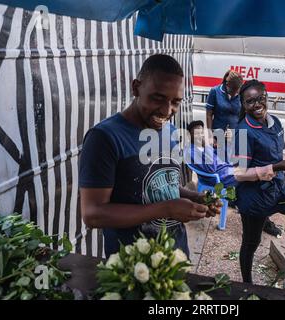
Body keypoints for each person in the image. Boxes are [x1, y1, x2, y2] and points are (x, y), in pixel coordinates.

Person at [79, 54, 221, 258]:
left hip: (176, 256)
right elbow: (93, 214)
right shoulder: (104, 138)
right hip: (131, 268)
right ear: (136, 87)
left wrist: (195, 197)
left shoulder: (170, 131)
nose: (167, 110)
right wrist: (167, 209)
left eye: (175, 102)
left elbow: (164, 184)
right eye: (158, 98)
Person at [232, 79, 285, 283]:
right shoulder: (243, 131)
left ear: (267, 97)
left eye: (261, 98)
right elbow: (239, 173)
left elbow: (278, 152)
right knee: (251, 243)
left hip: (277, 188)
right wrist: (276, 167)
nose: (257, 104)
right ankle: (247, 285)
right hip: (254, 198)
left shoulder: (276, 122)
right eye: (250, 101)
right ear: (243, 105)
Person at [184, 120, 285, 236]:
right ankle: (263, 216)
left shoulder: (203, 147)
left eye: (201, 132)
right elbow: (211, 169)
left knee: (252, 166)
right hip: (219, 177)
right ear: (190, 136)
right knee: (255, 179)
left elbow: (222, 158)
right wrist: (207, 147)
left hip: (226, 170)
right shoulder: (193, 151)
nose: (200, 135)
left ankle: (271, 176)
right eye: (196, 133)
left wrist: (222, 145)